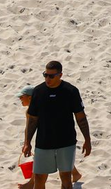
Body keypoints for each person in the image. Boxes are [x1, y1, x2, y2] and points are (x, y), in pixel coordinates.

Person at [23, 60, 91, 189]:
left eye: (51, 76)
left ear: (60, 75)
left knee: (66, 179)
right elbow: (32, 120)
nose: (47, 79)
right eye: (45, 75)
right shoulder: (38, 91)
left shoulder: (70, 91)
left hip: (66, 142)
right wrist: (27, 142)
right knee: (39, 178)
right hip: (43, 142)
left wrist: (87, 140)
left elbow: (81, 118)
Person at [17, 87, 81, 189]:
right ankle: (76, 173)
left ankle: (31, 183)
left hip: (55, 138)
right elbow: (28, 127)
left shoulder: (41, 108)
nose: (20, 99)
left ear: (30, 98)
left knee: (47, 163)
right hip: (46, 139)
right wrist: (26, 143)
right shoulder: (29, 111)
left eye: (21, 97)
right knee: (60, 160)